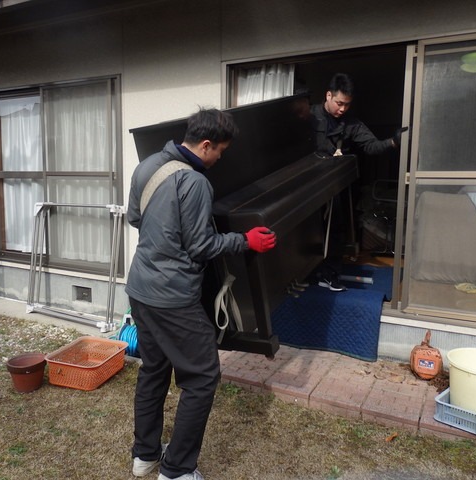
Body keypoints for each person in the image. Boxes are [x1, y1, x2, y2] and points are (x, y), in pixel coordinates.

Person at [126, 107, 277, 480]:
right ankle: (177, 469)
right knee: (203, 377)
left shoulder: (147, 166)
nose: (220, 158)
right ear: (206, 144)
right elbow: (201, 245)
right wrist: (245, 240)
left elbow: (135, 217)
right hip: (172, 298)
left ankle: (145, 455)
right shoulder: (194, 182)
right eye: (220, 151)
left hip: (140, 289)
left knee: (154, 370)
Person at [304, 73, 406, 291]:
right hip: (307, 186)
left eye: (347, 105)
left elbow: (371, 146)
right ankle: (305, 275)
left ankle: (330, 275)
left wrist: (394, 142)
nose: (342, 109)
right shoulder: (308, 116)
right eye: (339, 103)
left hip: (335, 187)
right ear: (328, 95)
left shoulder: (351, 124)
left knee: (337, 230)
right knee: (307, 233)